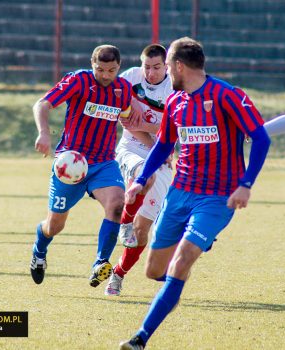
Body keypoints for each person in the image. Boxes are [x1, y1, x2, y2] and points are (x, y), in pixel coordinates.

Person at [119, 37, 271, 349]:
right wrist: (142, 178)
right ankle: (177, 278)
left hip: (217, 197)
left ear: (177, 66)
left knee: (182, 260)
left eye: (167, 67)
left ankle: (140, 338)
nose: (164, 76)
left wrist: (246, 184)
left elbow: (261, 137)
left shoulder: (227, 95)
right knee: (154, 271)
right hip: (180, 192)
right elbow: (163, 145)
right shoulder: (175, 102)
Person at [30, 45, 132, 288]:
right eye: (100, 69)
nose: (106, 75)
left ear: (119, 67)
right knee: (54, 225)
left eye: (112, 70)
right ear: (91, 64)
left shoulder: (124, 89)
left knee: (117, 205)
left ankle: (100, 262)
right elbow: (42, 104)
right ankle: (39, 249)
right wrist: (44, 133)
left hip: (104, 162)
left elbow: (128, 118)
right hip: (71, 164)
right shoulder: (79, 80)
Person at [104, 44, 174, 296]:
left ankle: (118, 274)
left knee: (142, 230)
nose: (151, 72)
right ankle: (124, 224)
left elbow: (173, 133)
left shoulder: (175, 88)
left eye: (156, 67)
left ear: (166, 66)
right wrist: (149, 133)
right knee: (144, 174)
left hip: (163, 156)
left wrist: (145, 126)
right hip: (131, 147)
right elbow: (124, 121)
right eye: (147, 66)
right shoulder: (129, 79)